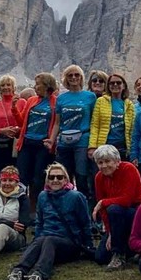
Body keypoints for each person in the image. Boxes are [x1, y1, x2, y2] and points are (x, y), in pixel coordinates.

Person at [2, 163, 92, 280]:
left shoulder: (76, 197)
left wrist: (88, 245)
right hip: (46, 241)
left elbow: (85, 222)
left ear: (66, 180)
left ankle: (38, 277)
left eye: (59, 177)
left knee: (48, 239)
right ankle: (17, 273)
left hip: (69, 242)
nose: (55, 180)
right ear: (47, 180)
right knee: (41, 239)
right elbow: (40, 222)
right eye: (52, 177)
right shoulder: (43, 196)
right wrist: (35, 242)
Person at [91, 145, 141, 269]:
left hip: (137, 213)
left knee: (114, 209)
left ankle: (119, 255)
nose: (104, 166)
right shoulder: (99, 177)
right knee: (100, 257)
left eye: (107, 161)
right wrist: (110, 232)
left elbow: (126, 200)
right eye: (100, 163)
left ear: (117, 161)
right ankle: (130, 251)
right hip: (115, 218)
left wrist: (102, 202)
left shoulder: (129, 169)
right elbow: (104, 211)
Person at [52, 65, 98, 204]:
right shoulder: (61, 98)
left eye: (76, 75)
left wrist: (93, 144)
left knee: (82, 175)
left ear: (81, 78)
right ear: (66, 78)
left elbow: (94, 121)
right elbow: (57, 123)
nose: (73, 78)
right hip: (64, 142)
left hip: (82, 141)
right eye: (70, 75)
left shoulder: (90, 97)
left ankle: (83, 208)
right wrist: (52, 140)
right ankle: (64, 208)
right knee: (64, 176)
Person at [15, 73, 59, 212]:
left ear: (47, 85)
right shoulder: (32, 100)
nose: (35, 87)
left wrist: (52, 140)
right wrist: (14, 108)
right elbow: (22, 122)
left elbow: (57, 123)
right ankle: (21, 210)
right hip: (27, 143)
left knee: (38, 180)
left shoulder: (56, 102)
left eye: (38, 84)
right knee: (22, 177)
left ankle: (35, 211)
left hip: (43, 146)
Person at [0, 76, 25, 194]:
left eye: (8, 85)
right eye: (3, 85)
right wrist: (3, 130)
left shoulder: (22, 102)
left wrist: (17, 129)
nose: (6, 87)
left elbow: (25, 124)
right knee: (0, 176)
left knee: (18, 175)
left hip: (16, 145)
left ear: (14, 87)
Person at [90, 73, 134, 160]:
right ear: (108, 86)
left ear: (124, 86)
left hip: (122, 147)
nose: (115, 85)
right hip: (104, 146)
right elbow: (95, 125)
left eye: (118, 83)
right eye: (112, 83)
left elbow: (131, 130)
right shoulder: (101, 101)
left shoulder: (129, 105)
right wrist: (92, 146)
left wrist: (132, 150)